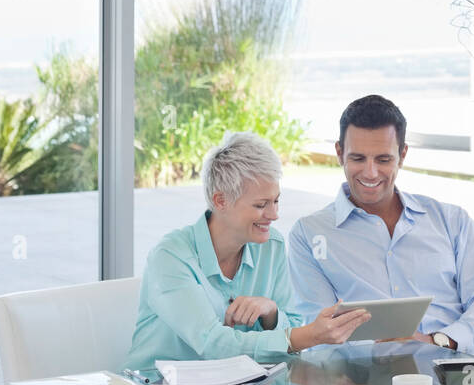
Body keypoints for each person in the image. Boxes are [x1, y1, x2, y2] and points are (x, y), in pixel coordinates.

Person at [287, 94, 474, 354]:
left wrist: (438, 340)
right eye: (358, 158)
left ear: (402, 155)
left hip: (458, 369)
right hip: (365, 382)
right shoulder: (309, 234)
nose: (370, 173)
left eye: (383, 160)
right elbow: (319, 336)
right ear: (339, 153)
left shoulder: (452, 221)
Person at [125, 131, 369, 370]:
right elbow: (213, 344)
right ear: (220, 201)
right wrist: (306, 336)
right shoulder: (170, 257)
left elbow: (293, 322)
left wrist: (271, 313)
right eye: (261, 205)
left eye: (276, 201)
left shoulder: (271, 246)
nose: (274, 215)